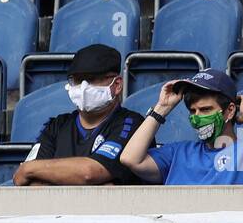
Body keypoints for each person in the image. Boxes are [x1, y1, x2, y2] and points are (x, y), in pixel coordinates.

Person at [119, 67, 243, 185]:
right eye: (193, 111)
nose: (197, 117)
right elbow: (130, 159)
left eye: (206, 110)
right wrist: (162, 108)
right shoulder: (178, 153)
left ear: (229, 110)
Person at [12, 44, 146, 185]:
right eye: (77, 80)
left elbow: (90, 172)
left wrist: (32, 169)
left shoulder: (131, 124)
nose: (83, 88)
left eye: (92, 79)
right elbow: (25, 180)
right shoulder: (57, 125)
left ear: (117, 85)